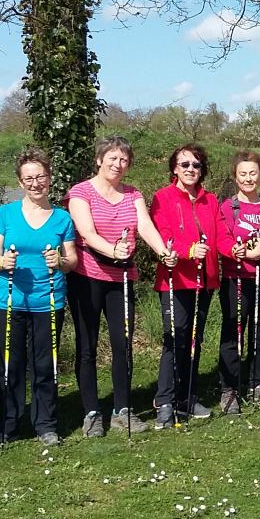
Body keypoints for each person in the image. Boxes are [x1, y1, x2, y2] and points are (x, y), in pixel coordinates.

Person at [66, 136, 175, 436]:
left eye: (124, 159)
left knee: (122, 345)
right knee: (87, 347)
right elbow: (86, 232)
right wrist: (111, 250)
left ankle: (122, 410)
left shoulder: (132, 194)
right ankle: (91, 412)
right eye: (112, 158)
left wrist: (164, 252)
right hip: (87, 276)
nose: (118, 164)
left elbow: (145, 227)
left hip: (122, 277)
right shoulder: (80, 192)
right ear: (99, 159)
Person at [0, 148, 78, 446]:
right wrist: (3, 262)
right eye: (29, 178)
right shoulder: (5, 213)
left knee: (45, 364)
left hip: (48, 300)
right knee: (10, 364)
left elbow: (72, 260)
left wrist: (59, 262)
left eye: (41, 177)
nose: (35, 183)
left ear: (49, 178)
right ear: (20, 181)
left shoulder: (62, 218)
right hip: (9, 300)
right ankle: (8, 425)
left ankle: (46, 424)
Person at [149, 143, 220, 428]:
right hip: (175, 279)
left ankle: (186, 397)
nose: (191, 169)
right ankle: (164, 400)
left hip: (205, 280)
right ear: (174, 169)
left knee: (193, 339)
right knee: (174, 338)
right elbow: (162, 235)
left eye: (196, 165)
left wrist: (241, 251)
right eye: (185, 165)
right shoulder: (162, 198)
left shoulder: (211, 200)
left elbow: (222, 236)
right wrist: (188, 250)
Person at [216, 150, 260, 413]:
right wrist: (245, 253)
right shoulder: (228, 207)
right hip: (238, 278)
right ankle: (230, 388)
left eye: (253, 173)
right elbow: (222, 241)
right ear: (235, 177)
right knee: (233, 332)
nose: (248, 178)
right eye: (243, 174)